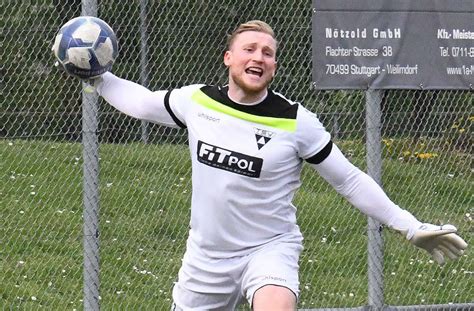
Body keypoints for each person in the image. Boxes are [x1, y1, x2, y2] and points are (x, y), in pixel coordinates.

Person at [86, 20, 466, 310]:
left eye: (267, 53)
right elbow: (140, 103)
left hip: (268, 249)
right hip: (206, 256)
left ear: (274, 66)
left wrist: (409, 226)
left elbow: (349, 180)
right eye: (249, 49)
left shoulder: (295, 122)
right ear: (229, 58)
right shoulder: (197, 101)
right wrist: (97, 76)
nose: (258, 57)